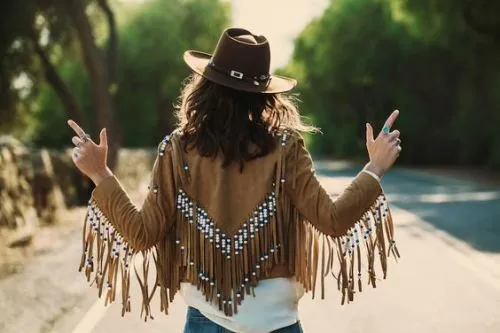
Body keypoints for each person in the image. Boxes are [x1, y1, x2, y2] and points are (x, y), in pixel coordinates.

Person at [68, 27, 402, 333]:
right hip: (279, 324)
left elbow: (142, 235)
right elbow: (333, 220)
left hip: (204, 322)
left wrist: (100, 172)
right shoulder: (286, 148)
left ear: (205, 86)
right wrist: (374, 167)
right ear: (264, 95)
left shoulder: (177, 148)